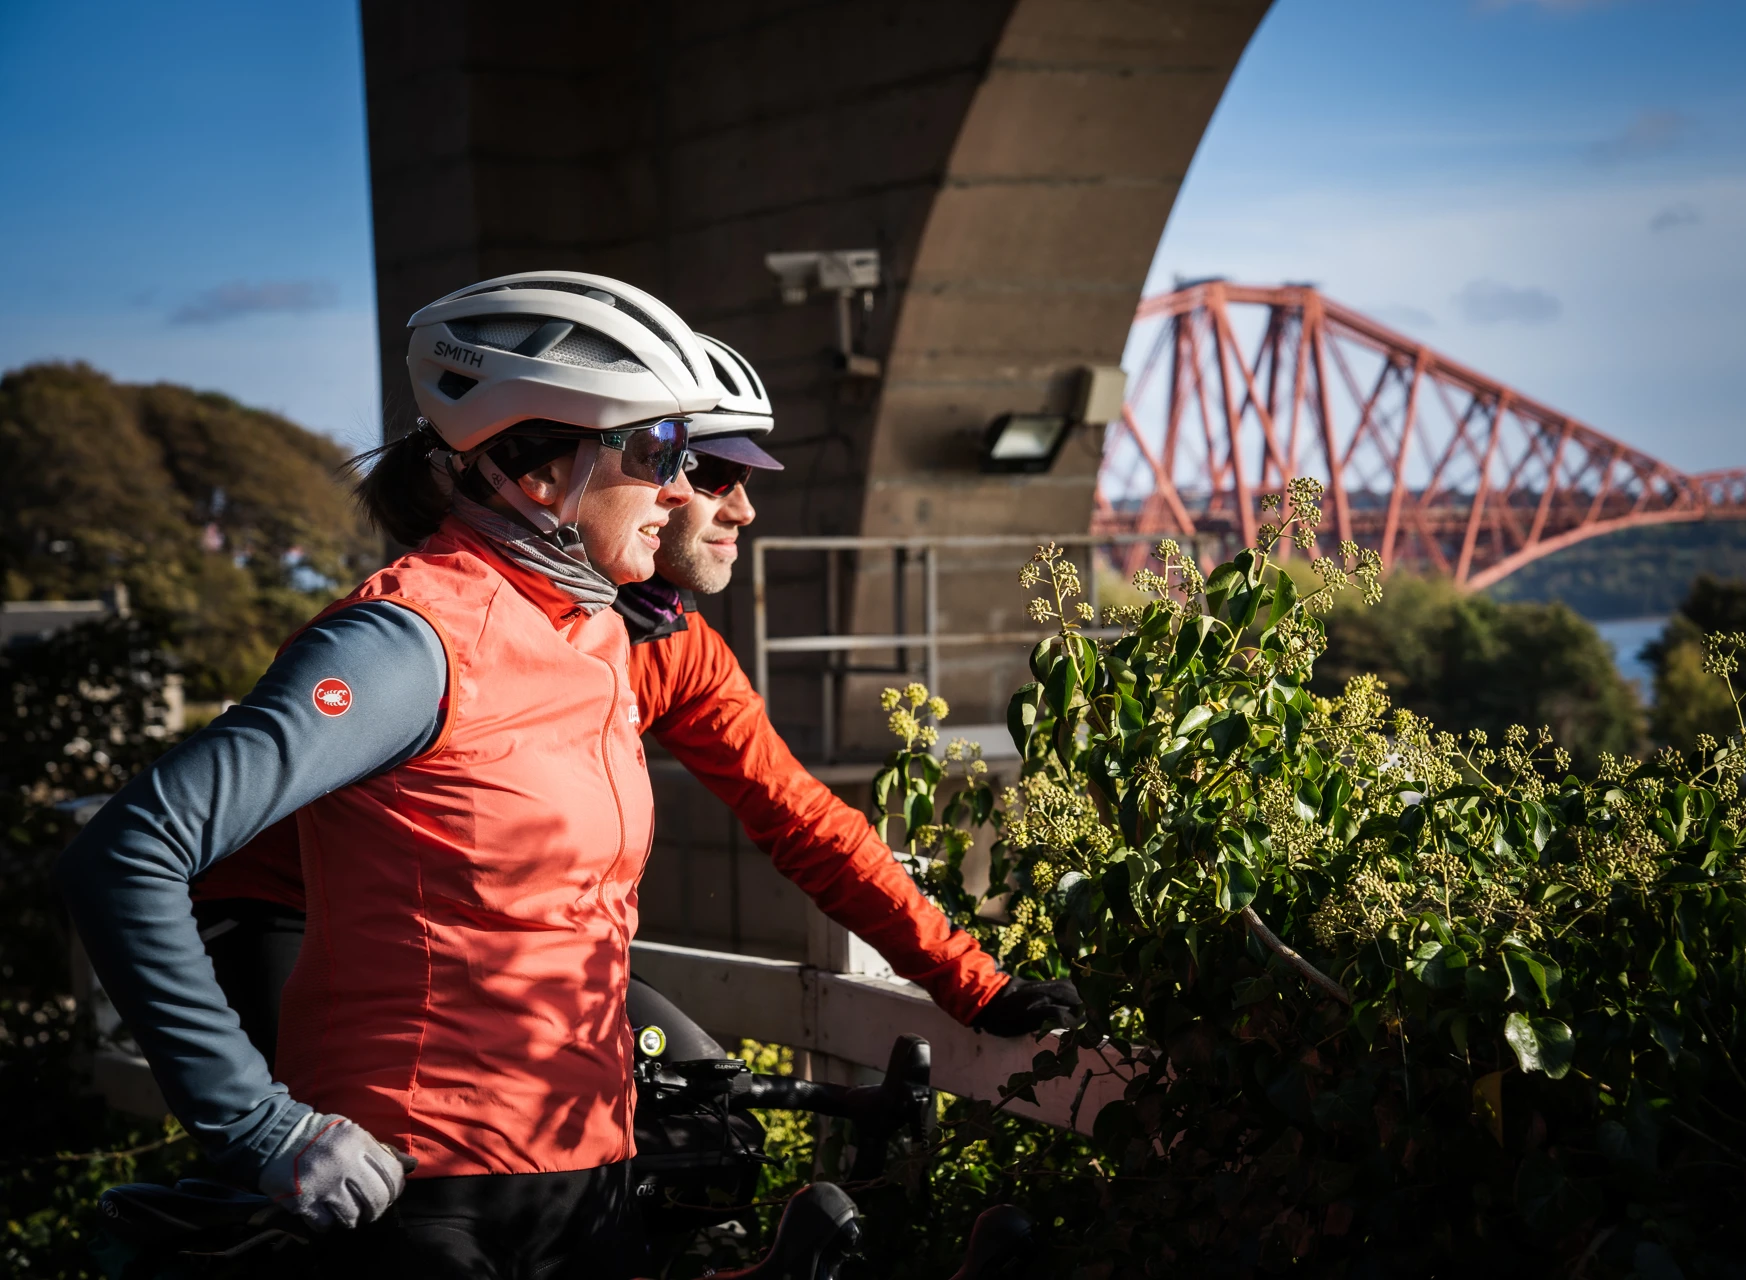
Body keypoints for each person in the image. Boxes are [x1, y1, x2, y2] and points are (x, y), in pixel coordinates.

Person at [61, 271, 730, 1277]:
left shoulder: (593, 632)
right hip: (422, 1193)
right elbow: (126, 852)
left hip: (587, 1179)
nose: (683, 488)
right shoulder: (407, 642)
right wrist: (258, 1126)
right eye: (657, 450)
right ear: (541, 474)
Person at [187, 331, 1081, 1059]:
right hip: (289, 918)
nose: (739, 509)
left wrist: (977, 984)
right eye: (707, 472)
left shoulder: (673, 645)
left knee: (701, 1103)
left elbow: (804, 821)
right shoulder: (440, 623)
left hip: (482, 944)